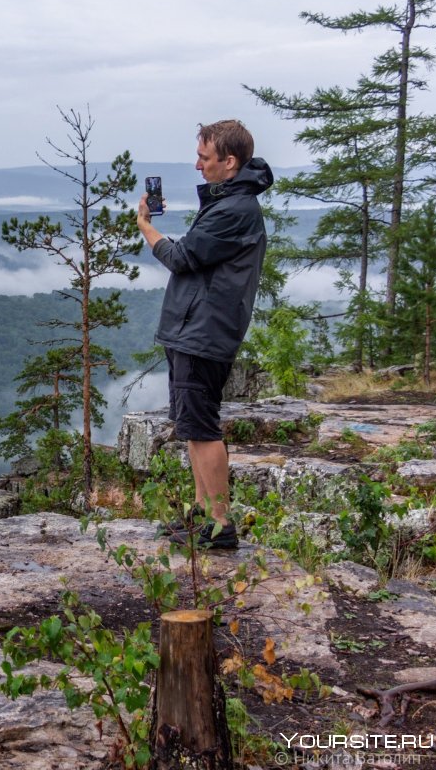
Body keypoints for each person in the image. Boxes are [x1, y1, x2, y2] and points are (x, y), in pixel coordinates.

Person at [135, 120, 273, 549]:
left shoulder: (234, 210)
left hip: (203, 332)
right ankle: (200, 515)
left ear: (229, 162)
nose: (197, 165)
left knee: (202, 427)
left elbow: (181, 257)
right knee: (192, 425)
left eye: (204, 157)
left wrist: (146, 226)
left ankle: (218, 524)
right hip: (194, 329)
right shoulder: (227, 202)